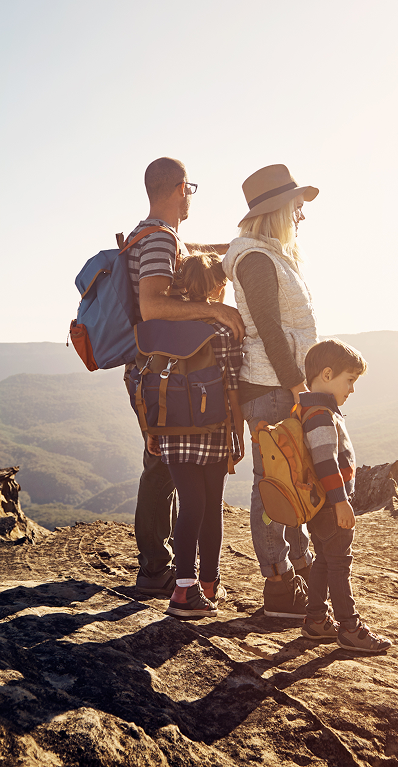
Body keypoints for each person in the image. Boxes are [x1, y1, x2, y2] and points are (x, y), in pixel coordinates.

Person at [126, 157, 245, 595]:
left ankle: (169, 570)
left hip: (160, 371)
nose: (190, 195)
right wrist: (214, 309)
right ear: (180, 189)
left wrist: (237, 249)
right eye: (190, 188)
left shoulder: (158, 236)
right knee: (162, 469)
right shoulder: (158, 240)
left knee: (165, 465)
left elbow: (187, 261)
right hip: (163, 374)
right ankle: (159, 571)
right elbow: (153, 306)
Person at [221, 164, 319, 618]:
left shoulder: (268, 254)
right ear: (278, 209)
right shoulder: (257, 259)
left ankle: (297, 570)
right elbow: (270, 330)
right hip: (271, 387)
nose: (302, 215)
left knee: (289, 479)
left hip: (278, 385)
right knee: (274, 484)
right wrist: (298, 385)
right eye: (297, 206)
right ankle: (279, 585)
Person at [148, 252, 245, 618]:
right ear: (218, 287)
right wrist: (239, 435)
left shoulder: (163, 329)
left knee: (191, 505)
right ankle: (197, 587)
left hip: (172, 431)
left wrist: (150, 429)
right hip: (213, 431)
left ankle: (190, 586)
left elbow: (152, 382)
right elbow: (232, 387)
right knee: (209, 509)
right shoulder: (222, 331)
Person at [298, 338, 392, 653]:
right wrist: (341, 502)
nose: (351, 389)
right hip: (330, 505)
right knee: (339, 565)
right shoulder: (320, 415)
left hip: (319, 506)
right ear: (327, 374)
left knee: (324, 561)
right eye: (349, 380)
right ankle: (350, 627)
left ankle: (315, 620)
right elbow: (325, 463)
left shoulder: (311, 409)